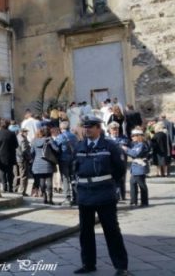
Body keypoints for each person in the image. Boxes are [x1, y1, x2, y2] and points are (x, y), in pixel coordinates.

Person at [73, 116, 128, 275]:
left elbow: (120, 169)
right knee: (85, 232)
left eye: (91, 127)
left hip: (104, 194)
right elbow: (74, 167)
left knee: (111, 231)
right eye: (85, 127)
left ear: (99, 128)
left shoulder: (110, 146)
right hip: (85, 194)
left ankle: (121, 266)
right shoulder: (80, 146)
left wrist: (111, 185)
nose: (87, 129)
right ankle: (88, 264)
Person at [30, 127, 59, 205]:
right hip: (48, 163)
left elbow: (31, 152)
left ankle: (44, 197)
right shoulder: (49, 140)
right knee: (49, 182)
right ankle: (50, 199)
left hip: (38, 164)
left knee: (41, 182)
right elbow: (56, 149)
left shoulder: (34, 141)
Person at [123, 129, 150, 207]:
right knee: (133, 183)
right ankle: (133, 201)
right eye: (132, 136)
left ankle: (144, 202)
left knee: (141, 185)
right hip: (136, 167)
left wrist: (126, 149)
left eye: (134, 136)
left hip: (139, 167)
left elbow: (135, 154)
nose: (132, 137)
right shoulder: (137, 144)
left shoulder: (141, 144)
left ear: (139, 136)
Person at [55, 121, 79, 205]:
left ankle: (67, 198)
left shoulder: (59, 137)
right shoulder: (74, 136)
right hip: (74, 159)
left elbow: (56, 148)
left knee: (65, 179)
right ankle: (76, 198)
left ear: (61, 128)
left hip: (63, 159)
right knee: (74, 179)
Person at [107, 122, 129, 201]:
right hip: (110, 162)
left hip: (121, 161)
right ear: (109, 130)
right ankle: (114, 195)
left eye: (117, 129)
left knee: (122, 178)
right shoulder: (106, 139)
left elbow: (125, 145)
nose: (115, 131)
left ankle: (122, 196)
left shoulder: (123, 137)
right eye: (113, 129)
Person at [0, 119, 18, 193]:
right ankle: (10, 187)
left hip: (1, 155)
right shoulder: (12, 133)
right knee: (10, 172)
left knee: (2, 171)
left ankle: (4, 187)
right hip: (10, 155)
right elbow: (16, 145)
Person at [15, 128, 32, 196]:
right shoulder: (23, 139)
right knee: (24, 175)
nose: (27, 133)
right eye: (26, 132)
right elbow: (24, 150)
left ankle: (15, 189)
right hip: (22, 159)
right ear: (22, 132)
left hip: (16, 158)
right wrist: (29, 158)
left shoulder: (16, 137)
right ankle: (22, 191)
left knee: (16, 175)